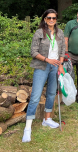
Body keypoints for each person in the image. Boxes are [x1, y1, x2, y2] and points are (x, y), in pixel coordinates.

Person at [23, 9, 66, 143]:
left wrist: (60, 65)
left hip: (55, 67)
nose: (52, 20)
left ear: (56, 19)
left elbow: (63, 49)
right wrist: (47, 60)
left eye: (54, 18)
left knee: (52, 94)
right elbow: (33, 52)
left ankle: (47, 119)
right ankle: (27, 128)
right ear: (45, 19)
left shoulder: (59, 33)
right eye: (49, 18)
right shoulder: (39, 33)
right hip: (42, 66)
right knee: (35, 96)